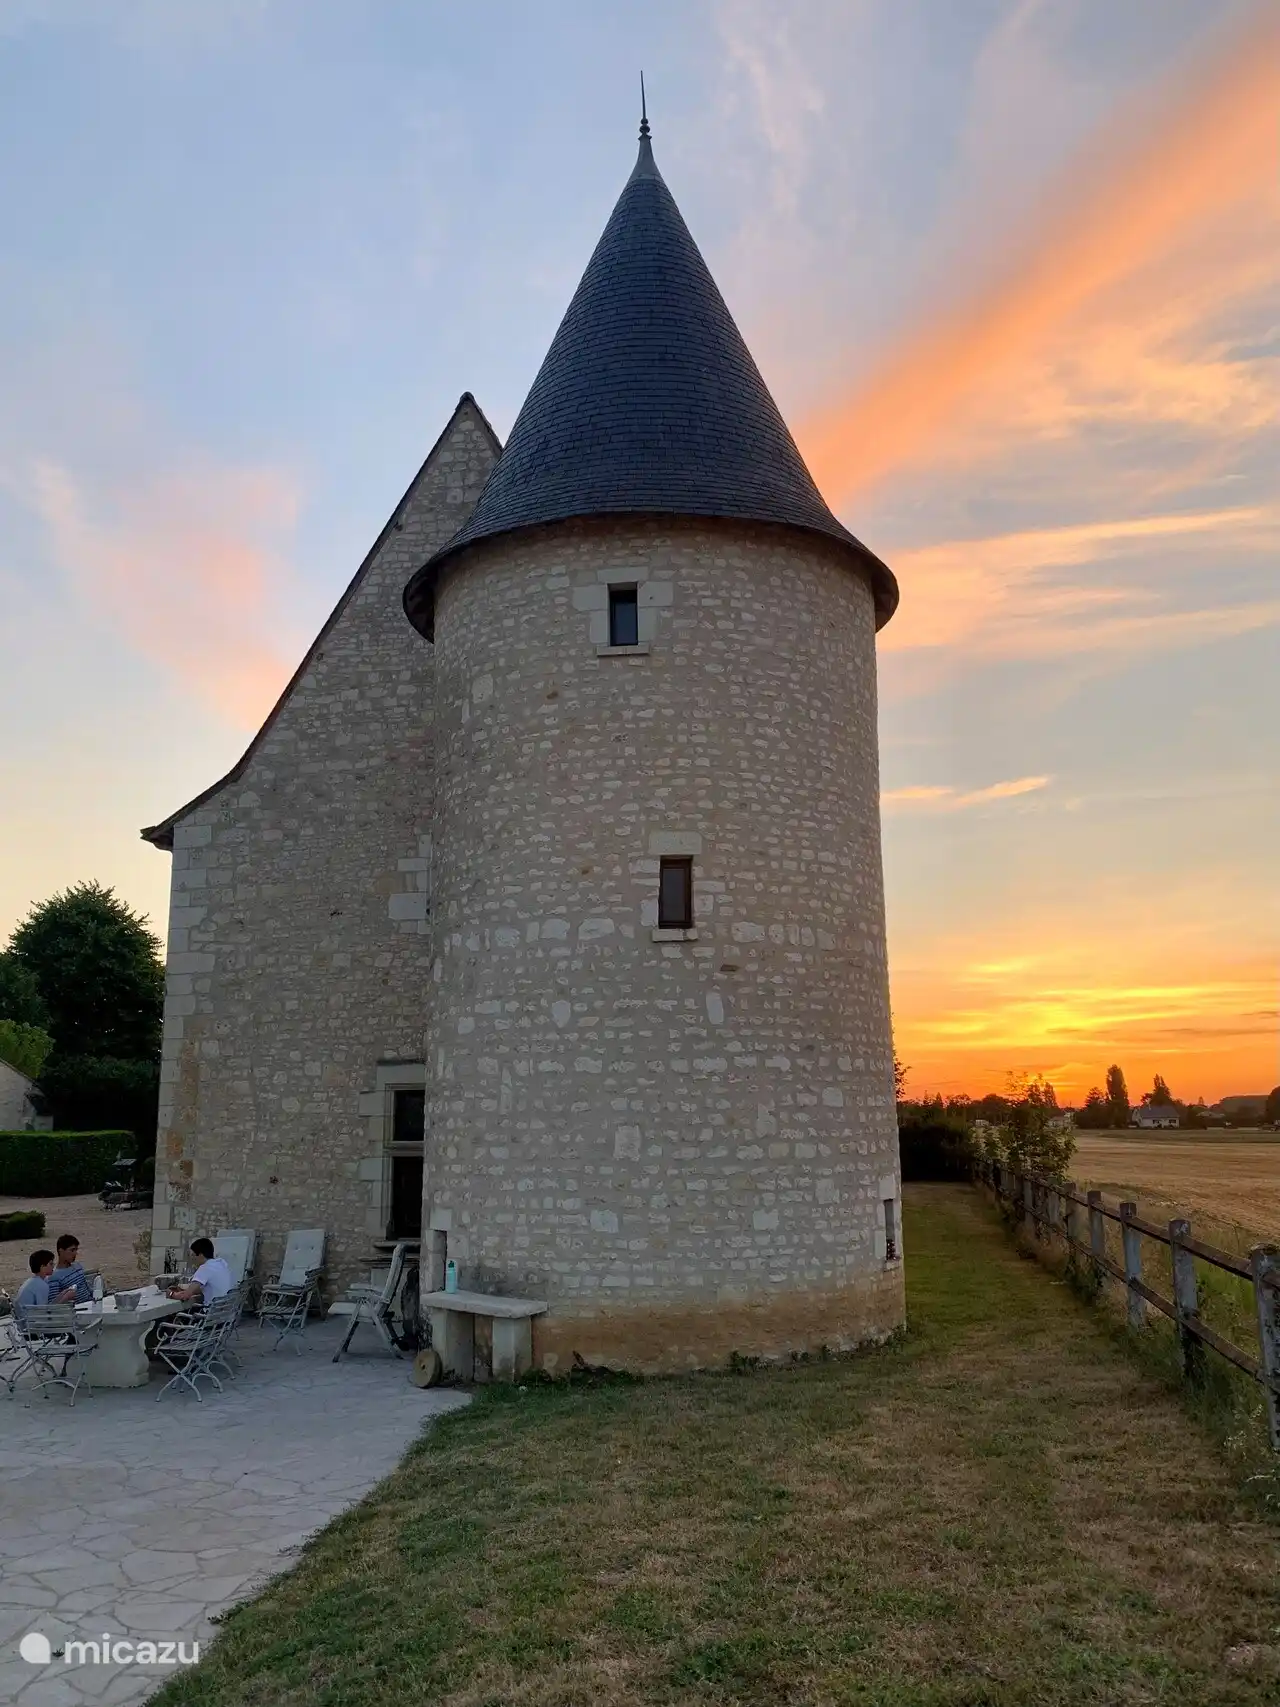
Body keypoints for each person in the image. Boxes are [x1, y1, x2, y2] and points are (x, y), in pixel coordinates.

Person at [13, 1250, 78, 1322]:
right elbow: (45, 1314)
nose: (53, 1265)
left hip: (26, 1322)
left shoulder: (34, 1281)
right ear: (42, 1267)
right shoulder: (41, 1285)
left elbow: (46, 1307)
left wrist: (63, 1294)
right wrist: (66, 1297)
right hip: (32, 1326)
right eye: (50, 1264)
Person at [167, 1238, 232, 1306]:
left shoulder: (205, 1268)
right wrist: (185, 1289)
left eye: (193, 1255)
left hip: (210, 1313)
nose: (192, 1258)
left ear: (201, 1255)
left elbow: (185, 1296)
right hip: (225, 1311)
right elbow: (211, 1287)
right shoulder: (221, 1263)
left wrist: (171, 1294)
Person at [48, 1234, 96, 1304]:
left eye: (76, 1250)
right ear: (61, 1251)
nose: (75, 1253)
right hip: (76, 1310)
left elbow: (86, 1289)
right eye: (72, 1250)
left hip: (91, 1303)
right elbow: (53, 1306)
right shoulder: (54, 1276)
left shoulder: (78, 1266)